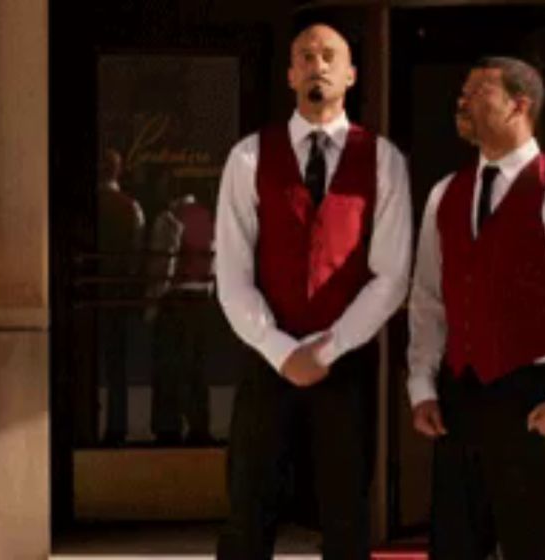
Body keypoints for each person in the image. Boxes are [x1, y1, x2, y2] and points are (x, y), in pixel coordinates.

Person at [214, 22, 412, 560]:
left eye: (329, 56)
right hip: (266, 360)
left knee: (347, 515)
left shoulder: (384, 160)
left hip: (344, 364)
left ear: (350, 74)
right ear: (290, 75)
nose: (317, 64)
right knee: (249, 510)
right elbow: (231, 276)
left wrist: (326, 349)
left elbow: (391, 275)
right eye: (305, 56)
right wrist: (283, 353)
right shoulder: (249, 158)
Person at [407, 57, 545, 560]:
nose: (462, 101)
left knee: (540, 548)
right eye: (462, 92)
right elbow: (429, 300)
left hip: (534, 395)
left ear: (520, 105)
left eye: (478, 92)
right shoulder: (445, 194)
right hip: (460, 396)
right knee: (455, 547)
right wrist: (421, 385)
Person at [144, 176, 215, 446]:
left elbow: (164, 266)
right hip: (201, 299)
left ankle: (168, 426)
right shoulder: (209, 219)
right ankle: (199, 425)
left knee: (169, 366)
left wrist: (152, 305)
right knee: (197, 366)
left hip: (175, 300)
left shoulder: (169, 218)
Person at [95, 148, 145, 446]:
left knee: (86, 361)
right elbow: (137, 255)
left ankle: (86, 424)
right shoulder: (131, 207)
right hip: (118, 294)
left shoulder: (89, 206)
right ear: (118, 171)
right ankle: (117, 427)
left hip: (91, 292)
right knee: (117, 366)